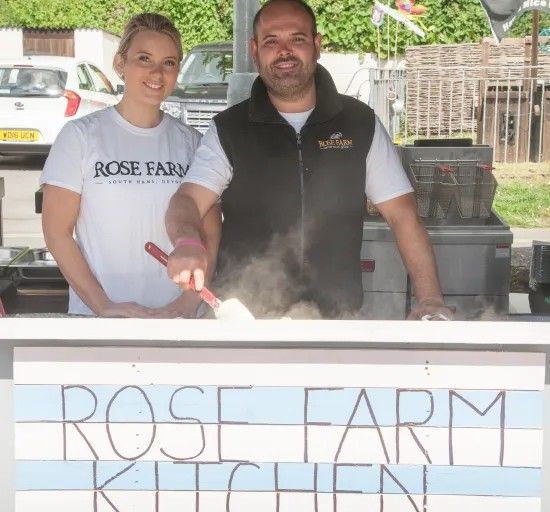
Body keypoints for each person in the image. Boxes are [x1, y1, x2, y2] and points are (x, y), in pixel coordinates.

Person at [165, 0, 452, 320]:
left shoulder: (359, 123)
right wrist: (187, 241)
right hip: (245, 321)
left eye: (297, 39)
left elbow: (403, 216)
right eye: (272, 41)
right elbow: (188, 200)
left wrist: (430, 298)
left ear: (316, 45)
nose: (284, 51)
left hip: (336, 319)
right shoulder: (229, 129)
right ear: (254, 50)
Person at [41, 13, 221, 318]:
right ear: (120, 63)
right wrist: (104, 306)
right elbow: (57, 231)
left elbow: (211, 236)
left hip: (178, 323)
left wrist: (185, 306)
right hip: (102, 322)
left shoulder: (192, 142)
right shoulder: (80, 136)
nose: (157, 72)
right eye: (144, 58)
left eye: (169, 62)